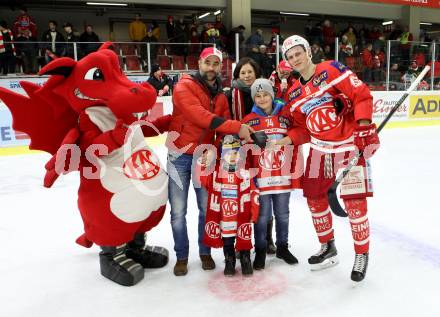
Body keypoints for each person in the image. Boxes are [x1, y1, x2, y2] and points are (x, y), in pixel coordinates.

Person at [278, 35, 380, 282]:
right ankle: (327, 246)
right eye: (290, 57)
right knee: (314, 198)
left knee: (355, 204)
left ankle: (361, 254)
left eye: (298, 53)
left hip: (349, 147)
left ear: (308, 52)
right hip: (320, 150)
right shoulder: (293, 94)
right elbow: (302, 129)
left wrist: (364, 124)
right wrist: (286, 140)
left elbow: (361, 95)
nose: (295, 59)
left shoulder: (331, 69)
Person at [167, 47, 254, 276]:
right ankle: (182, 256)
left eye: (216, 64)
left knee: (206, 209)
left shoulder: (221, 95)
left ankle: (204, 251)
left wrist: (214, 150)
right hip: (178, 156)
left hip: (203, 158)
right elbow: (199, 116)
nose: (212, 68)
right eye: (208, 63)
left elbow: (222, 132)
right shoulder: (183, 86)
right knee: (178, 211)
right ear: (200, 63)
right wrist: (238, 127)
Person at [242, 78, 303, 270]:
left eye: (265, 94)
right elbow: (244, 150)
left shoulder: (285, 116)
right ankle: (260, 250)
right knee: (262, 216)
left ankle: (282, 247)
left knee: (283, 213)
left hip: (282, 175)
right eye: (258, 96)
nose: (262, 99)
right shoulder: (248, 120)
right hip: (261, 178)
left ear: (272, 94)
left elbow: (298, 136)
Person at [225, 57, 277, 254]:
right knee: (242, 197)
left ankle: (267, 238)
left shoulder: (264, 91)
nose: (247, 76)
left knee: (264, 194)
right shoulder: (232, 94)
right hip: (239, 149)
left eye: (250, 72)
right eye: (243, 72)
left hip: (263, 149)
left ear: (256, 73)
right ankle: (242, 241)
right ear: (237, 75)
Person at [197, 134, 258, 276]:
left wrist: (254, 212)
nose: (232, 156)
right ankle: (229, 260)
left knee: (244, 236)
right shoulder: (215, 172)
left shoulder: (245, 172)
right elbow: (203, 178)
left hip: (242, 214)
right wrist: (204, 160)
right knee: (228, 239)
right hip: (225, 215)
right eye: (228, 153)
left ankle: (245, 259)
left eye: (235, 152)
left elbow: (254, 192)